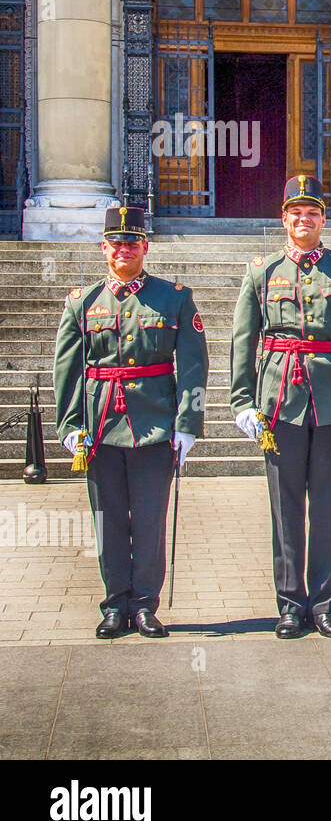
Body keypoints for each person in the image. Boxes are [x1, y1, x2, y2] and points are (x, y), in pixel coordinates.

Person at [230, 175, 331, 639]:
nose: (303, 219)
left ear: (322, 220)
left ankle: (325, 605)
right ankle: (291, 604)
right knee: (286, 510)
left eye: (311, 212)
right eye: (295, 212)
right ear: (284, 219)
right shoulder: (262, 271)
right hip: (279, 404)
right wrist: (242, 402)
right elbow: (243, 340)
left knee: (330, 510)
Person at [53, 206, 208, 639]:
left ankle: (144, 605)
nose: (124, 250)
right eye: (116, 243)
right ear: (104, 248)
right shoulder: (81, 303)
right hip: (100, 425)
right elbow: (67, 370)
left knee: (148, 518)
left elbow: (194, 365)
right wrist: (69, 425)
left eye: (132, 242)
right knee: (108, 519)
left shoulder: (174, 297)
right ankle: (114, 603)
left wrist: (187, 423)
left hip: (154, 425)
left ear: (145, 247)